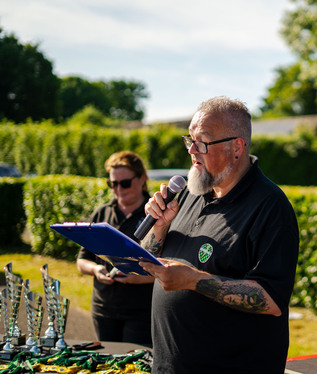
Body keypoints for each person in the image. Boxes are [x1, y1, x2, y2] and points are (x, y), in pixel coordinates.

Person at [139, 96, 300, 374]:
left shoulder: (270, 207)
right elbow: (147, 262)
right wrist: (159, 228)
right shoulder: (191, 191)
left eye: (201, 142)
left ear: (236, 148)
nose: (191, 151)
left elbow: (271, 300)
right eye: (188, 140)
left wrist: (193, 280)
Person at [77, 151, 154, 347]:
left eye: (125, 183)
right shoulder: (102, 213)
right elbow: (81, 261)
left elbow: (170, 265)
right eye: (113, 184)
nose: (118, 189)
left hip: (141, 311)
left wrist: (139, 278)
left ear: (142, 178)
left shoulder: (157, 213)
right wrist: (96, 270)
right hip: (103, 309)